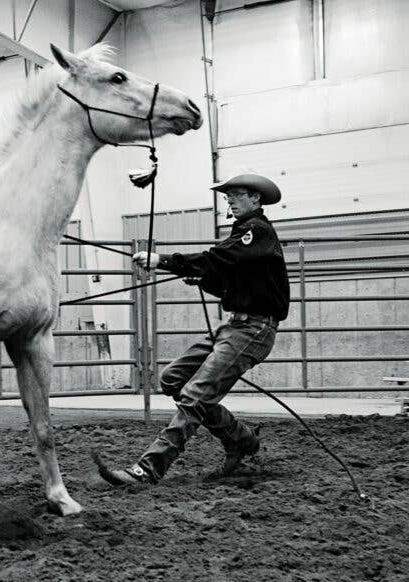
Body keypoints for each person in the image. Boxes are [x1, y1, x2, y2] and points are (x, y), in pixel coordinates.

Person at [96, 173, 290, 486]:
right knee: (173, 379)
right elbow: (228, 279)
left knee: (195, 395)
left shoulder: (256, 231)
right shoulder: (246, 236)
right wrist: (204, 278)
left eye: (237, 194)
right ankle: (240, 438)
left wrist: (162, 260)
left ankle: (149, 469)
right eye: (228, 195)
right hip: (236, 325)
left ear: (256, 198)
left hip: (253, 329)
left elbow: (215, 260)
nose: (230, 199)